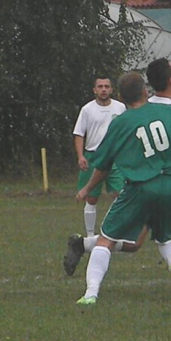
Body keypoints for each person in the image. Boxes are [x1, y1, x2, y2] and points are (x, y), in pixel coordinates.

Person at [64, 59, 171, 295]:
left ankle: (84, 248)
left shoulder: (128, 116)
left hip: (139, 186)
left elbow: (104, 162)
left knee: (134, 241)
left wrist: (86, 188)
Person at [72, 77, 126, 237]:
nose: (103, 89)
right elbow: (79, 133)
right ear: (94, 90)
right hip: (93, 156)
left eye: (107, 86)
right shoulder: (87, 109)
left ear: (111, 89)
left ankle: (114, 231)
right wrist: (81, 156)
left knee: (120, 194)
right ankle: (90, 235)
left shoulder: (120, 108)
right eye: (100, 86)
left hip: (115, 157)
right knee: (91, 197)